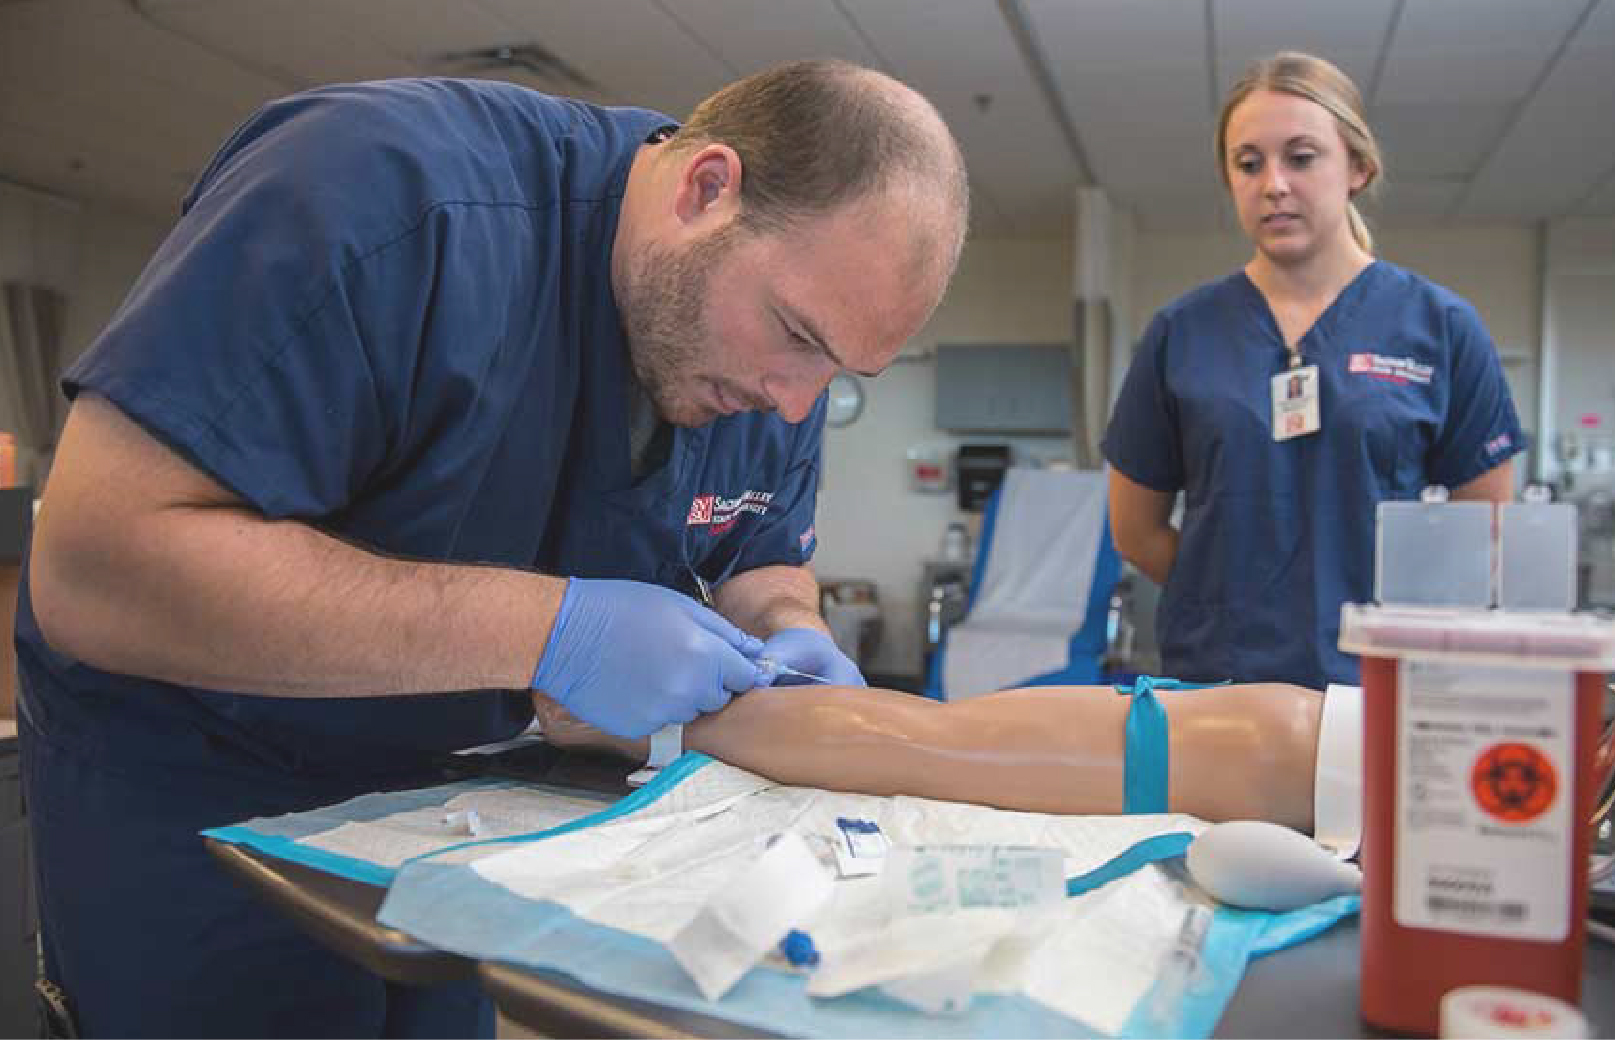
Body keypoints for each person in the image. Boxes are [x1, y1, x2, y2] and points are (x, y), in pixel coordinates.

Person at [17, 61, 968, 1037]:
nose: (797, 401)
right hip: (198, 775)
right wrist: (548, 630)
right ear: (704, 189)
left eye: (839, 371)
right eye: (797, 336)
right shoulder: (376, 194)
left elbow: (757, 549)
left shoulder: (772, 365)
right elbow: (93, 567)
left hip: (455, 791)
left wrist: (784, 619)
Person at [1102, 51, 1524, 691]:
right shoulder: (1180, 333)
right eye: (1249, 163)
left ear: (1357, 167)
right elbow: (1135, 531)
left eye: (1300, 157)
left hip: (1376, 689)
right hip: (1217, 687)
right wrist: (1229, 597)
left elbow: (1480, 535)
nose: (1273, 183)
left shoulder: (1439, 328)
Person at [531, 679, 1329, 832]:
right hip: (1296, 745)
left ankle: (635, 725)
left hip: (1304, 750)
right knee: (937, 739)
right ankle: (633, 726)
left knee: (938, 736)